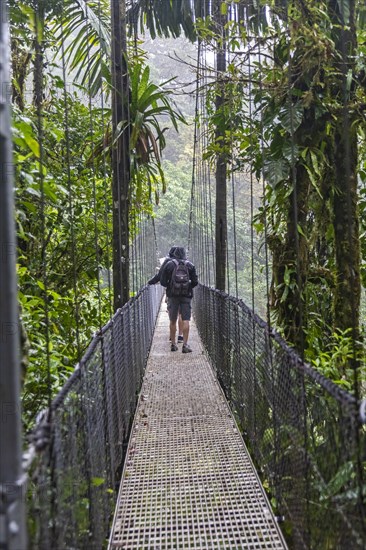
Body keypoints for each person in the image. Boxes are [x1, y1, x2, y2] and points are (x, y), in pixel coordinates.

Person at [160, 246, 198, 353]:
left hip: (172, 296)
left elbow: (162, 282)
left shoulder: (169, 265)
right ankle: (185, 345)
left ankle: (173, 344)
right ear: (185, 254)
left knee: (172, 320)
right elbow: (195, 282)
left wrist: (171, 285)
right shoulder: (190, 265)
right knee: (186, 319)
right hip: (186, 296)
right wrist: (187, 285)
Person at [148, 246, 184, 342]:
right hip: (184, 292)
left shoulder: (168, 262)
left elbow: (159, 276)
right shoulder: (185, 262)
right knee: (181, 313)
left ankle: (172, 336)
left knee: (173, 315)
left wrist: (150, 282)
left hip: (172, 292)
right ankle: (180, 336)